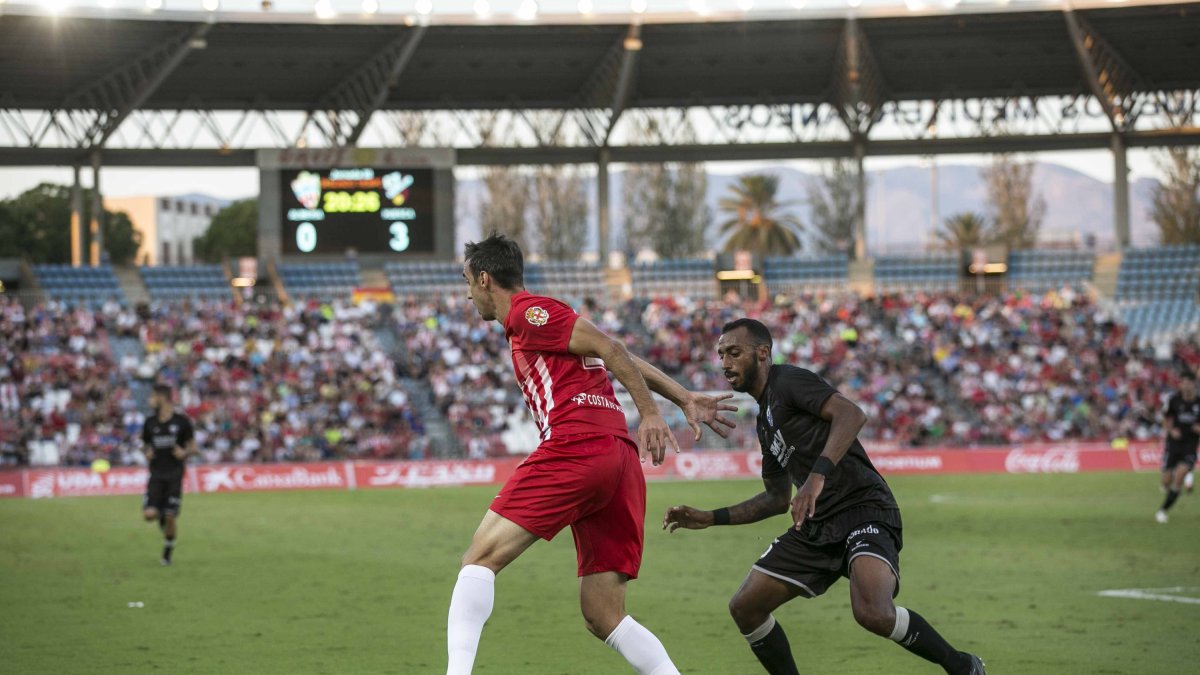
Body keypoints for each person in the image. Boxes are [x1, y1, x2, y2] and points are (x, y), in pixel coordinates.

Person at [447, 233, 736, 675]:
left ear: (485, 278)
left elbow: (612, 348)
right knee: (604, 615)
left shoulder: (530, 313)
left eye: (468, 281)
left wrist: (652, 412)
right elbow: (615, 354)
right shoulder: (536, 325)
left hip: (577, 446)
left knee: (478, 558)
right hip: (618, 463)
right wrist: (682, 396)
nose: (468, 293)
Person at [663, 318, 985, 675]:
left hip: (863, 508)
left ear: (763, 353)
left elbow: (851, 414)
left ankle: (962, 666)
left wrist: (816, 477)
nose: (725, 363)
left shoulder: (788, 381)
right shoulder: (765, 423)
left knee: (874, 614)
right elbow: (775, 498)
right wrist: (711, 518)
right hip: (817, 524)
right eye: (721, 354)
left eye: (734, 353)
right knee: (746, 606)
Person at [141, 383, 196, 565]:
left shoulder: (182, 422)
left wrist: (184, 453)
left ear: (161, 398)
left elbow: (193, 447)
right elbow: (145, 445)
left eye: (152, 397)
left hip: (174, 475)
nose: (149, 401)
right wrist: (146, 452)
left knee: (171, 515)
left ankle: (167, 553)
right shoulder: (149, 423)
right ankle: (162, 516)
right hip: (156, 474)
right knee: (149, 515)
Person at [1156, 373, 1200, 523]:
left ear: (1194, 384)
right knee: (1166, 480)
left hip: (1190, 446)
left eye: (1189, 382)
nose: (1186, 385)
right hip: (1173, 446)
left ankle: (1162, 510)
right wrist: (1171, 430)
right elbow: (1165, 418)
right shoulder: (1174, 400)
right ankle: (1170, 487)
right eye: (1183, 382)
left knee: (1180, 475)